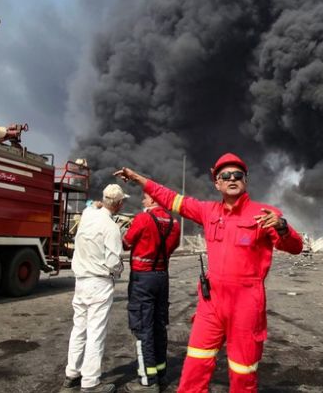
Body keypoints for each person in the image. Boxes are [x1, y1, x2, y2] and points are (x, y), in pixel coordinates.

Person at [114, 153, 303, 392]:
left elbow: (295, 247)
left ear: (245, 180)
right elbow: (171, 198)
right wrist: (137, 178)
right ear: (217, 183)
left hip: (246, 304)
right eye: (225, 175)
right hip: (211, 303)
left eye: (238, 175)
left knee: (242, 374)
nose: (232, 178)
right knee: (194, 367)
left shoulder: (265, 214)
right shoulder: (208, 211)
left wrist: (283, 227)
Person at [62, 184, 128, 393]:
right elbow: (113, 262)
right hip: (99, 283)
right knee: (96, 332)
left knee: (79, 329)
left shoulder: (87, 215)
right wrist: (120, 269)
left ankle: (72, 374)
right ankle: (90, 382)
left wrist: (96, 205)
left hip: (80, 281)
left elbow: (91, 206)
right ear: (119, 204)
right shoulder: (111, 227)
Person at [123, 193, 181, 392]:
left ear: (154, 200)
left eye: (145, 198)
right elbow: (172, 246)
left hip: (142, 279)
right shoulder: (174, 223)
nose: (143, 201)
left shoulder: (143, 218)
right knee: (159, 325)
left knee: (143, 327)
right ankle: (161, 372)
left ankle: (148, 379)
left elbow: (126, 243)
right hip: (162, 277)